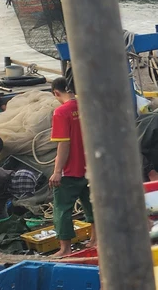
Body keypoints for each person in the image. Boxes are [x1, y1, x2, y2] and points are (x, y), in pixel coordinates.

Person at [49, 72, 93, 257]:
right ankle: (96, 240)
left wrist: (57, 171)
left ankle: (65, 249)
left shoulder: (61, 112)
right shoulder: (87, 107)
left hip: (70, 171)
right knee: (93, 206)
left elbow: (64, 144)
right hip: (90, 169)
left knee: (62, 209)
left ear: (55, 93)